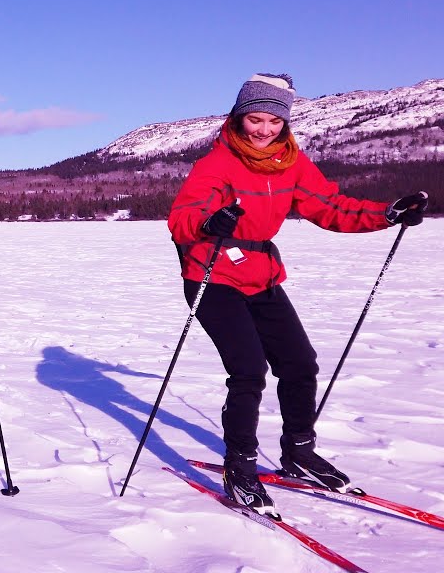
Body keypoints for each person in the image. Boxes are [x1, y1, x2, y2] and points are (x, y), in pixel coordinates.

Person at [168, 73, 427, 517]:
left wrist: (386, 214)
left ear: (285, 122)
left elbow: (330, 206)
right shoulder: (216, 163)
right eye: (254, 119)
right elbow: (182, 219)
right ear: (239, 116)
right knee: (249, 370)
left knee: (300, 364)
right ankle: (239, 468)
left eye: (273, 120)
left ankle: (299, 453)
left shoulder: (291, 163)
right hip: (212, 275)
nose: (263, 129)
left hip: (262, 274)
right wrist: (208, 224)